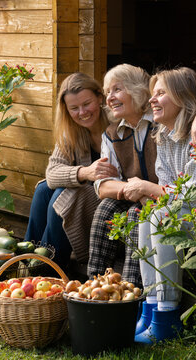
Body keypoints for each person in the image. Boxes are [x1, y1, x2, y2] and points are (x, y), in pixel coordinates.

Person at [87, 64, 196, 286]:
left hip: (180, 204)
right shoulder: (120, 132)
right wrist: (137, 189)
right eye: (107, 92)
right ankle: (94, 284)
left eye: (116, 90)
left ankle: (135, 290)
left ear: (135, 90)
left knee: (142, 215)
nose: (109, 98)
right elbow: (102, 186)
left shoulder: (163, 122)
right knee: (107, 209)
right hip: (161, 198)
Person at [131, 67, 196, 343]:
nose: (152, 100)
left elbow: (192, 196)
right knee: (149, 215)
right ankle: (152, 308)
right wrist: (160, 194)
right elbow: (170, 195)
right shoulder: (166, 138)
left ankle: (168, 315)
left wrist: (149, 188)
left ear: (184, 97)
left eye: (161, 93)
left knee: (161, 216)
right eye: (152, 94)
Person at [24, 72, 119, 268]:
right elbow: (51, 174)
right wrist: (85, 172)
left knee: (63, 194)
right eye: (74, 108)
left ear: (100, 98)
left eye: (87, 104)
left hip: (110, 201)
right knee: (44, 190)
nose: (82, 112)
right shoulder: (72, 130)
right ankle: (24, 258)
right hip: (86, 196)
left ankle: (50, 266)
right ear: (66, 109)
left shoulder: (115, 122)